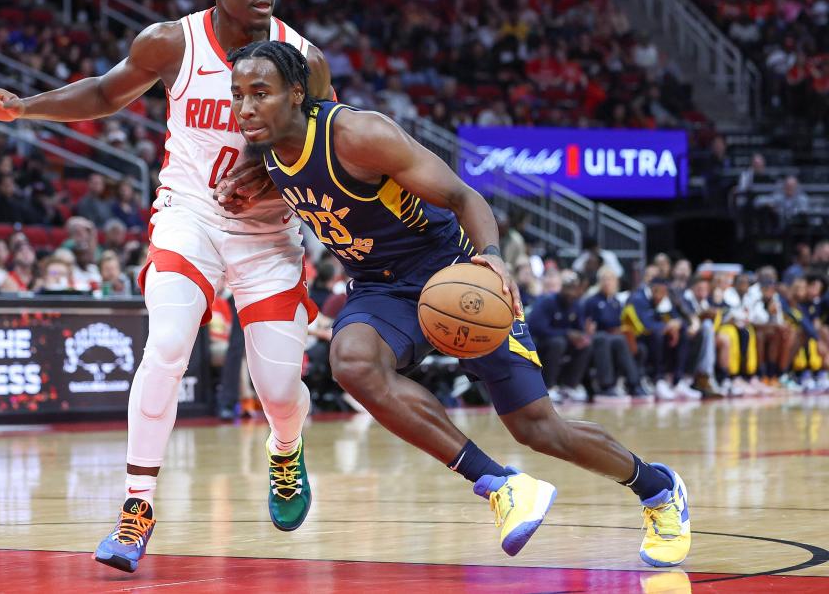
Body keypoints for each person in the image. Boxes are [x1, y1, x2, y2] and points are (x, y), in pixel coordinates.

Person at [219, 39, 691, 567]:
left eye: (260, 93)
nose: (245, 107)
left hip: (453, 274)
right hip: (380, 287)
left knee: (539, 429)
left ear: (297, 95)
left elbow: (466, 196)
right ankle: (499, 485)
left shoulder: (359, 135)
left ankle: (657, 488)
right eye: (237, 95)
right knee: (351, 360)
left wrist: (492, 257)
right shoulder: (263, 151)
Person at [0, 0, 333, 573]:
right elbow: (106, 94)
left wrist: (270, 174)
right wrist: (26, 109)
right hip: (189, 216)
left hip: (269, 234)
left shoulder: (304, 59)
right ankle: (136, 506)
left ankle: (285, 446)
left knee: (278, 386)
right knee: (166, 344)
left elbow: (324, 151)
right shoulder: (172, 42)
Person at [528, 271, 594, 403]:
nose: (570, 293)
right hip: (538, 343)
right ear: (562, 288)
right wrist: (566, 333)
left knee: (585, 345)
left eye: (573, 289)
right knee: (558, 343)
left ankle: (570, 386)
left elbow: (578, 329)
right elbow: (537, 328)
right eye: (567, 288)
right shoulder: (547, 302)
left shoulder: (577, 305)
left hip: (561, 342)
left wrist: (583, 335)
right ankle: (549, 386)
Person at [583, 267, 647, 400]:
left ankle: (634, 383)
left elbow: (618, 323)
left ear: (616, 282)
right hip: (597, 337)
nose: (607, 282)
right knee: (610, 339)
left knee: (629, 342)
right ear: (599, 282)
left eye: (610, 279)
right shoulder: (592, 301)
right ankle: (607, 385)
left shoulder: (616, 302)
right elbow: (588, 325)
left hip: (613, 337)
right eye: (604, 279)